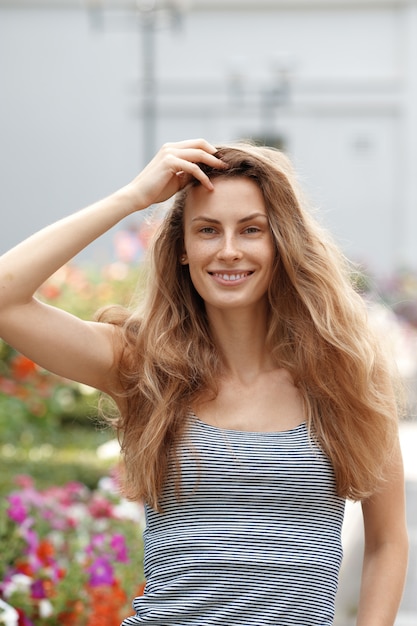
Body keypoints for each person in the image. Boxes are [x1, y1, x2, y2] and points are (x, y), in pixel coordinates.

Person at [0, 138, 408, 625]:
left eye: (251, 230)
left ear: (282, 242)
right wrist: (132, 197)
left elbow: (387, 542)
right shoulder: (143, 367)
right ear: (183, 250)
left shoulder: (346, 375)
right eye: (208, 230)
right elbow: (6, 299)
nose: (229, 251)